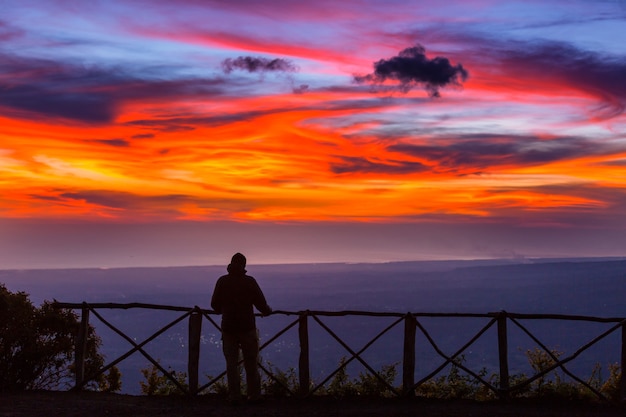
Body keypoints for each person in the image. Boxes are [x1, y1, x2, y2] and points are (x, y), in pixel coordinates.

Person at [211, 253, 272, 404]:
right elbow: (261, 303)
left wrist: (222, 310)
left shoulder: (222, 281)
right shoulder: (249, 282)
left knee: (231, 364)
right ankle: (254, 395)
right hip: (247, 328)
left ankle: (234, 395)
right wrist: (267, 311)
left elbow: (214, 304)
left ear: (231, 264)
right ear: (244, 265)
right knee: (251, 362)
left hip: (228, 328)